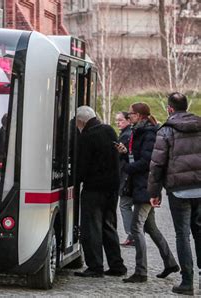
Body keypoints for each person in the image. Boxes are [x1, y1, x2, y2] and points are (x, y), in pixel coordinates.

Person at [115, 102, 179, 283]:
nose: (129, 117)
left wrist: (127, 167)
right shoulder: (141, 131)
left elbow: (146, 162)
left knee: (136, 228)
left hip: (147, 187)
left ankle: (141, 271)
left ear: (140, 116)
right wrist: (124, 153)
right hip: (143, 186)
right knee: (150, 227)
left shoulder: (150, 133)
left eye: (131, 114)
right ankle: (170, 262)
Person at [148, 92, 201, 295]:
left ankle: (187, 282)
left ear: (170, 108)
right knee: (199, 232)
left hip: (179, 191)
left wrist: (154, 192)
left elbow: (157, 164)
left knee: (183, 234)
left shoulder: (166, 131)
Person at [74, 106, 127, 278]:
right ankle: (117, 265)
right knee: (109, 226)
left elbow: (82, 166)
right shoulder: (109, 130)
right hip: (112, 187)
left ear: (81, 122)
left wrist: (75, 181)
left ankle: (95, 266)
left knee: (92, 228)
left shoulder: (87, 137)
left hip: (94, 189)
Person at [115, 111, 134, 246]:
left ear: (128, 120)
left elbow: (127, 157)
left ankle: (132, 234)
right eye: (117, 120)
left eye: (120, 120)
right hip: (127, 175)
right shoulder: (126, 134)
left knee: (124, 205)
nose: (118, 123)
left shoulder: (126, 135)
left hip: (127, 176)